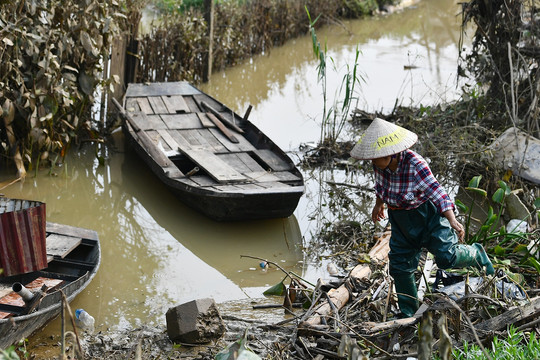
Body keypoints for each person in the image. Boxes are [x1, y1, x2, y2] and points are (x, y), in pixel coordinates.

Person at [350, 117, 494, 318]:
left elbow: (438, 192)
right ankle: (409, 311)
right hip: (400, 221)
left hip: (428, 218)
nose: (373, 161)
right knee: (400, 266)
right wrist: (378, 204)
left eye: (376, 157)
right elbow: (381, 186)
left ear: (391, 154)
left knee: (447, 257)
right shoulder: (380, 165)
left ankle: (477, 254)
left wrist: (452, 219)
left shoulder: (415, 164)